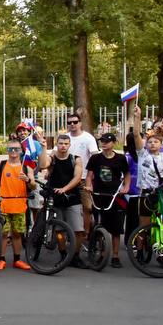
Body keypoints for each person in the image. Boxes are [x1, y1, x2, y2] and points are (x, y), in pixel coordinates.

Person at [84, 131, 131, 268]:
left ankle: (115, 256)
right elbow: (89, 175)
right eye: (102, 141)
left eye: (107, 141)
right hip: (98, 195)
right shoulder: (95, 158)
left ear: (113, 143)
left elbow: (127, 174)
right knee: (99, 224)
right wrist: (88, 186)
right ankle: (101, 252)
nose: (103, 143)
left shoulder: (120, 158)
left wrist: (126, 187)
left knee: (116, 228)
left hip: (114, 196)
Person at [42, 133, 86, 264]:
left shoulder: (76, 159)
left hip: (73, 198)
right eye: (61, 143)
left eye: (66, 144)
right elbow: (44, 164)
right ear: (57, 144)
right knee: (59, 230)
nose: (63, 146)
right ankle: (63, 255)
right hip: (55, 198)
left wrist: (65, 189)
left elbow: (77, 177)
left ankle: (76, 256)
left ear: (70, 145)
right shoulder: (52, 158)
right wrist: (44, 148)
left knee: (78, 230)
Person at [0, 140, 33, 271]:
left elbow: (33, 185)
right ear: (7, 151)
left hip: (20, 204)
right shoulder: (2, 164)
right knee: (4, 234)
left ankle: (17, 260)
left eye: (16, 149)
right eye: (10, 149)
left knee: (17, 234)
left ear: (21, 151)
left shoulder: (27, 167)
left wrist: (28, 180)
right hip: (4, 204)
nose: (13, 152)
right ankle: (1, 259)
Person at [64, 111, 98, 239]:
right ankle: (70, 232)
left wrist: (92, 174)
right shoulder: (65, 138)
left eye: (75, 122)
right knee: (68, 207)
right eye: (69, 122)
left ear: (80, 123)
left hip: (84, 178)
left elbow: (94, 156)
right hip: (67, 179)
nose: (72, 124)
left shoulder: (88, 138)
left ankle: (86, 232)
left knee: (87, 207)